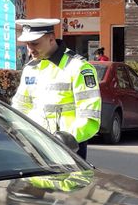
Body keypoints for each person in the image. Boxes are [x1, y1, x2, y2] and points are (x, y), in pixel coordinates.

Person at [11, 18, 101, 158]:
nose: (30, 49)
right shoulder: (31, 68)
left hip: (67, 147)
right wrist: (17, 131)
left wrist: (66, 139)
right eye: (27, 44)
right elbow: (21, 106)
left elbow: (90, 116)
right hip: (36, 144)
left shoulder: (78, 67)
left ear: (51, 39)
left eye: (35, 43)